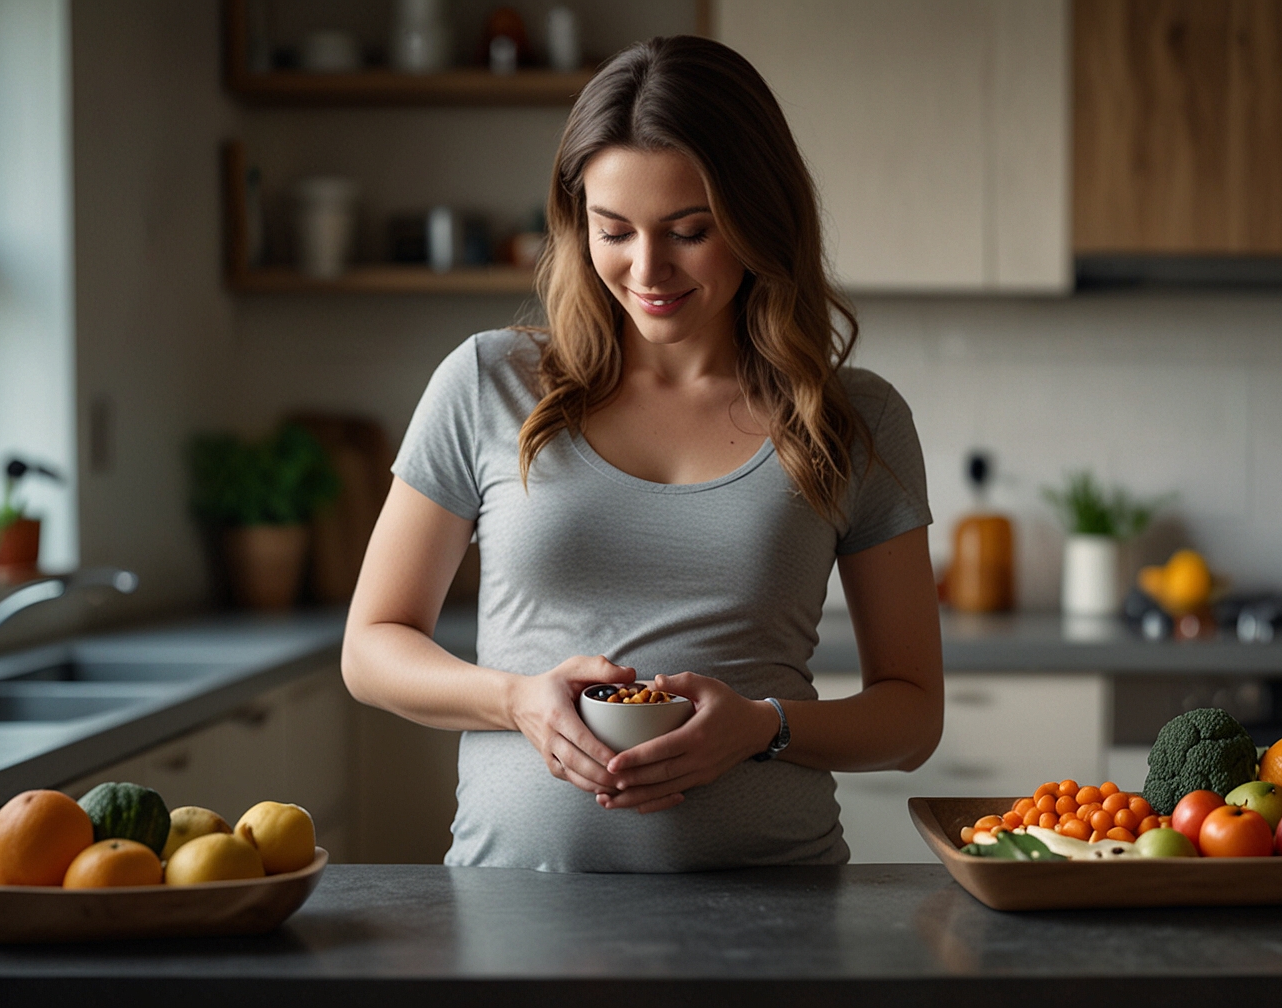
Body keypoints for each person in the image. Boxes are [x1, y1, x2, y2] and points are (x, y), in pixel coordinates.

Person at [341, 35, 943, 872]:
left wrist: (764, 727)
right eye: (613, 230)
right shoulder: (489, 382)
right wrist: (517, 701)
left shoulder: (851, 417)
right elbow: (371, 648)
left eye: (691, 231)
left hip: (776, 915)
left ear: (759, 219)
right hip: (514, 916)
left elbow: (912, 717)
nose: (647, 269)